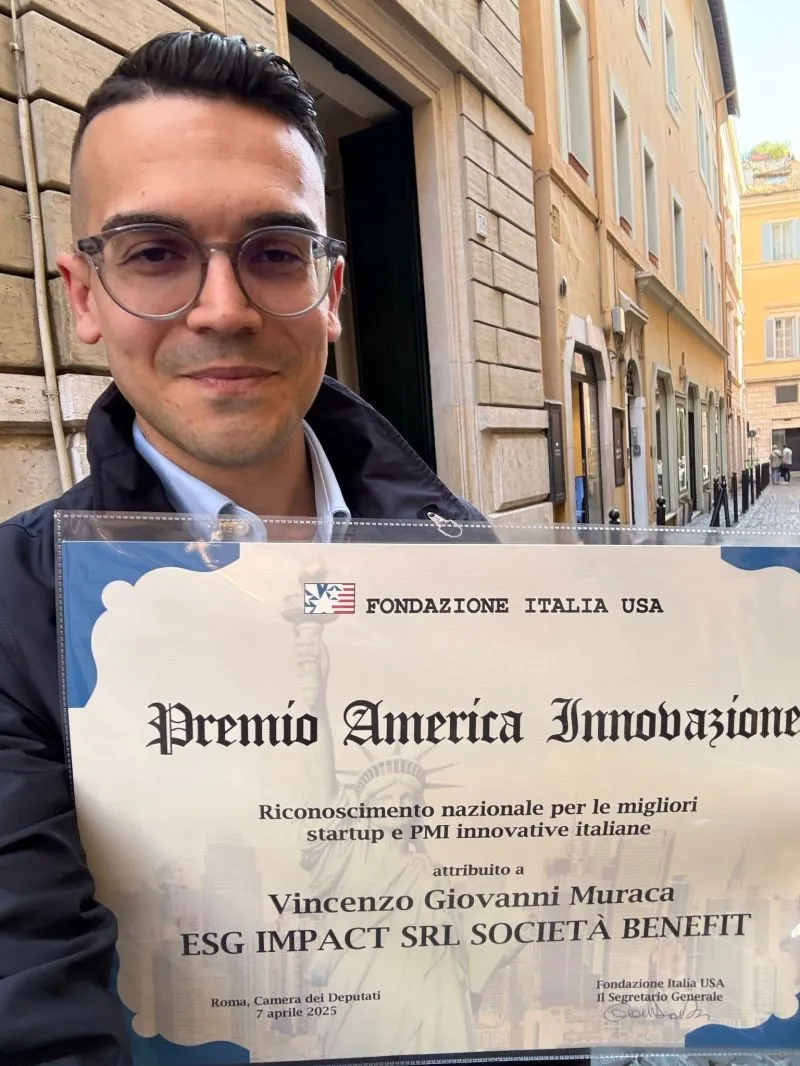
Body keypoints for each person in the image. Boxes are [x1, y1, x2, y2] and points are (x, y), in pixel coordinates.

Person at [0, 31, 486, 1065]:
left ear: (330, 292)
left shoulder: (478, 565)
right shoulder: (11, 612)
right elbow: (25, 989)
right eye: (155, 253)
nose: (222, 310)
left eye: (273, 252)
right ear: (83, 296)